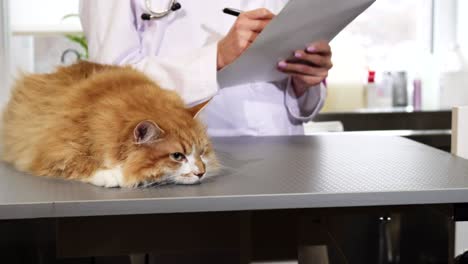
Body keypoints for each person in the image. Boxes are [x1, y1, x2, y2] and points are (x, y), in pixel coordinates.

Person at [79, 0, 333, 136]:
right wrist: (216, 58)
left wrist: (305, 80)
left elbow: (297, 104)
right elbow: (110, 85)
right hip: (183, 162)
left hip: (286, 155)